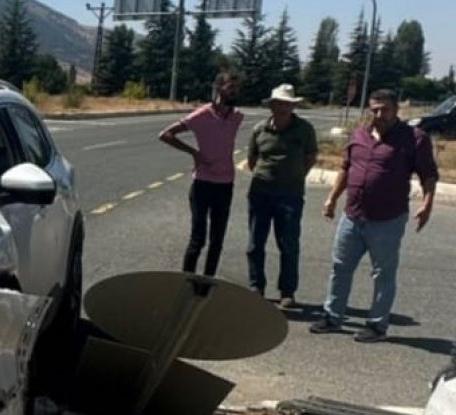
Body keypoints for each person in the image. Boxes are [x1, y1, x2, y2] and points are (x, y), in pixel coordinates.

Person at [311, 89, 439, 343]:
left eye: (385, 109)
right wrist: (332, 198)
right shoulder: (359, 134)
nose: (379, 114)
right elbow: (346, 169)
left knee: (383, 273)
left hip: (387, 219)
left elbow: (428, 175)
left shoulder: (414, 138)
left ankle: (377, 325)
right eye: (374, 109)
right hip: (352, 215)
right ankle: (332, 316)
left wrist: (427, 204)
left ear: (396, 110)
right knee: (340, 267)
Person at [158, 72, 244, 277]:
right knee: (198, 237)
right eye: (230, 87)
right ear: (219, 88)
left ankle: (207, 283)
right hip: (203, 183)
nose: (234, 91)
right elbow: (165, 135)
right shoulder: (202, 114)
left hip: (225, 184)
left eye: (237, 88)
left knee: (217, 239)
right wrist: (193, 152)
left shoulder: (237, 116)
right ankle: (186, 280)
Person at [245, 83, 318, 309]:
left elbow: (311, 157)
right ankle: (256, 286)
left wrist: (296, 176)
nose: (282, 107)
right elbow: (252, 160)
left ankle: (287, 291)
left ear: (292, 106)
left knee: (288, 244)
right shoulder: (259, 129)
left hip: (290, 195)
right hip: (260, 194)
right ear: (272, 105)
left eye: (287, 104)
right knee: (255, 243)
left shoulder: (304, 129)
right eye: (278, 103)